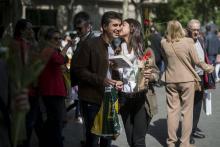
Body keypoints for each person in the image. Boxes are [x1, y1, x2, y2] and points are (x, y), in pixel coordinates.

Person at [71, 11, 123, 147]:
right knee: (93, 139)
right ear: (105, 26)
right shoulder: (90, 44)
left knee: (107, 137)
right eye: (115, 25)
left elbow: (109, 73)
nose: (118, 28)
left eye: (120, 25)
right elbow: (78, 70)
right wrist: (101, 80)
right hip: (91, 99)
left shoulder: (113, 47)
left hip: (109, 98)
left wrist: (117, 78)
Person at [160, 20, 214, 147]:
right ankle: (185, 143)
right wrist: (208, 68)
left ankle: (171, 143)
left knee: (172, 112)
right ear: (182, 29)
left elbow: (165, 60)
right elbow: (197, 61)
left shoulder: (163, 43)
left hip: (170, 80)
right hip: (186, 80)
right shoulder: (188, 42)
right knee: (187, 113)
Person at [117, 18, 159, 147]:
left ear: (132, 29)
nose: (119, 28)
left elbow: (157, 73)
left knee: (138, 140)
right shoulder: (118, 50)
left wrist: (150, 75)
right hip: (124, 99)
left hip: (142, 98)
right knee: (130, 140)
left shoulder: (145, 50)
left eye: (123, 25)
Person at [38, 27, 70, 147]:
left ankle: (46, 142)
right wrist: (67, 46)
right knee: (56, 121)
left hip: (55, 91)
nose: (58, 41)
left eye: (59, 38)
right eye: (55, 38)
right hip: (52, 91)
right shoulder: (49, 50)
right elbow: (60, 60)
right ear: (48, 39)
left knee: (54, 120)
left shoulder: (52, 50)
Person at [187, 19, 209, 144]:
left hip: (200, 78)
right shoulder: (185, 41)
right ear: (188, 29)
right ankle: (187, 133)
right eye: (193, 29)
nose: (196, 32)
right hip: (189, 78)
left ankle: (194, 129)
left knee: (197, 106)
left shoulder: (201, 39)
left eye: (197, 29)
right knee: (188, 107)